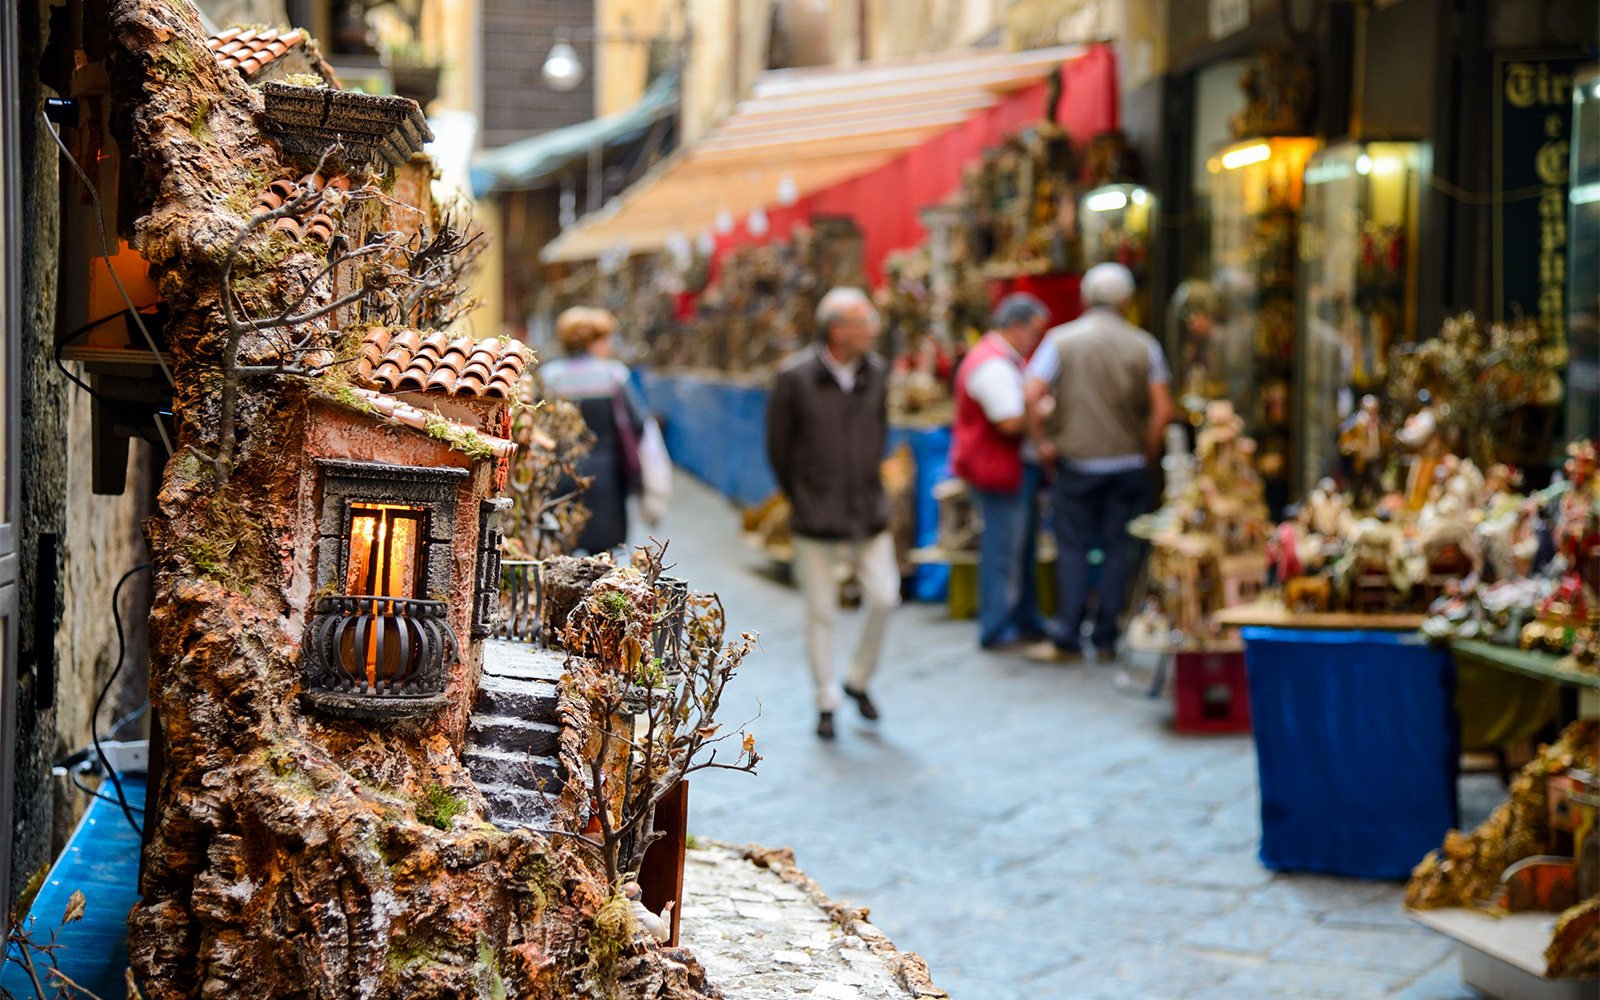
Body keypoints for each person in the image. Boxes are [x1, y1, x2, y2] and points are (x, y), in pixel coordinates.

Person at [766, 287, 900, 740]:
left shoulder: (877, 373)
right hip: (816, 510)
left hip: (867, 506)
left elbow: (879, 430)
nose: (874, 330)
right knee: (820, 610)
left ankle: (857, 678)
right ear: (839, 330)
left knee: (885, 597)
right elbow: (778, 449)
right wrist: (802, 495)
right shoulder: (795, 377)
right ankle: (826, 698)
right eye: (867, 322)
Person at [1025, 263, 1175, 662]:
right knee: (1117, 549)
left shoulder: (1061, 340)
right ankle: (1107, 635)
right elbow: (1163, 409)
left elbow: (1032, 392)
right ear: (1126, 301)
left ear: (1085, 298)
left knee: (1073, 549)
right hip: (1126, 464)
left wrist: (1043, 441)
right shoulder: (1145, 345)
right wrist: (1146, 449)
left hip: (1078, 462)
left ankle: (1068, 636)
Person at [951, 293, 1052, 649]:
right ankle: (997, 626)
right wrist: (1041, 409)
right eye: (1035, 333)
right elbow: (1009, 421)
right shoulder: (993, 365)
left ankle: (1022, 620)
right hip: (1000, 471)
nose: (1036, 342)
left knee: (1017, 550)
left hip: (1005, 470)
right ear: (1016, 327)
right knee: (1003, 552)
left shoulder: (999, 360)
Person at [540, 306, 646, 555]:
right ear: (593, 341)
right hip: (607, 478)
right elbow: (638, 423)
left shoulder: (550, 376)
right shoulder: (613, 374)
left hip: (563, 477)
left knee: (563, 553)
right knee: (604, 561)